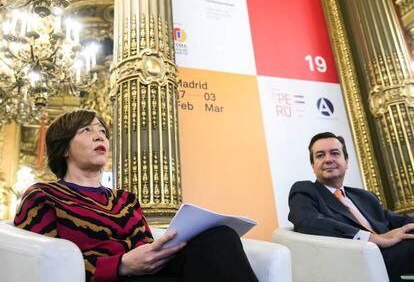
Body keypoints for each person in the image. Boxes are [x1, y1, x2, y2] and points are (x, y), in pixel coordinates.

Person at [14, 109, 258, 282]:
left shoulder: (125, 200)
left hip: (147, 274)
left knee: (219, 236)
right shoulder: (43, 195)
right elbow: (38, 261)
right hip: (106, 278)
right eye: (87, 130)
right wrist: (120, 266)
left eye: (102, 131)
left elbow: (144, 247)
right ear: (64, 148)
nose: (100, 136)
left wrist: (158, 252)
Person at [288, 132, 414, 282]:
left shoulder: (364, 196)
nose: (328, 159)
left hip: (390, 255)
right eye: (320, 155)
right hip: (354, 262)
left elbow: (395, 219)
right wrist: (372, 238)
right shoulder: (304, 190)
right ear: (313, 166)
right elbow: (308, 221)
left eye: (335, 153)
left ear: (346, 161)